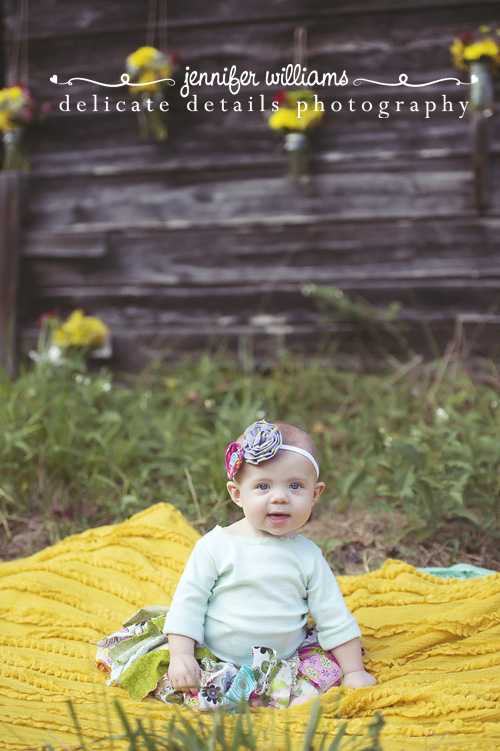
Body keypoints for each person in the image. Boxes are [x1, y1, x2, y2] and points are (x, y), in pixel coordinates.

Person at [95, 419, 376, 710]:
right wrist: (181, 655)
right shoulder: (216, 547)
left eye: (295, 486)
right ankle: (230, 688)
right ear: (237, 494)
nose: (280, 497)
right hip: (215, 655)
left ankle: (265, 690)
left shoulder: (309, 556)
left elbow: (334, 617)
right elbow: (188, 604)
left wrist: (354, 670)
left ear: (314, 494)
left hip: (282, 659)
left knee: (326, 672)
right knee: (176, 678)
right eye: (263, 485)